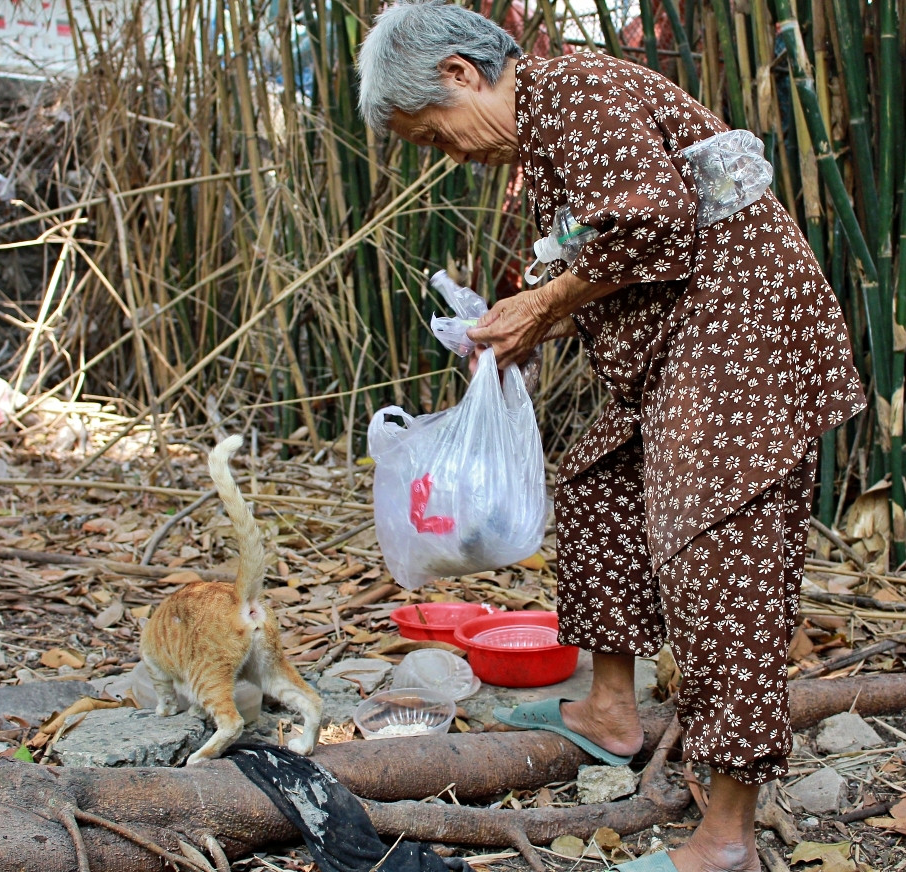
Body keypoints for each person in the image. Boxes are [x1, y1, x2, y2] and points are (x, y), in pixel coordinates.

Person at [356, 4, 866, 871]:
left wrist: (542, 304)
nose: (449, 156)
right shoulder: (548, 135)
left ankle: (727, 833)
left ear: (459, 73)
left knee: (718, 552)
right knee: (599, 488)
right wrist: (520, 324)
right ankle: (609, 712)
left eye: (434, 135)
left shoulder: (578, 90)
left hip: (736, 335)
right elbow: (609, 259)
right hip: (679, 343)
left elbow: (655, 222)